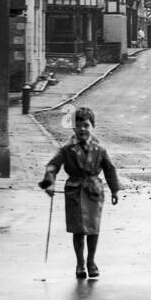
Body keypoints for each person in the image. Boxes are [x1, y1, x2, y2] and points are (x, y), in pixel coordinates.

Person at [39, 106, 120, 280]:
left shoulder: (100, 149)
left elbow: (109, 169)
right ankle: (80, 263)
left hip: (94, 191)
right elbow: (53, 165)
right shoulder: (67, 149)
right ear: (73, 127)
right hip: (74, 191)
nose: (82, 129)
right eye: (78, 125)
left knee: (93, 229)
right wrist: (49, 183)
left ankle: (91, 261)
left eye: (86, 125)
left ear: (92, 126)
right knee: (78, 230)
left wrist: (115, 190)